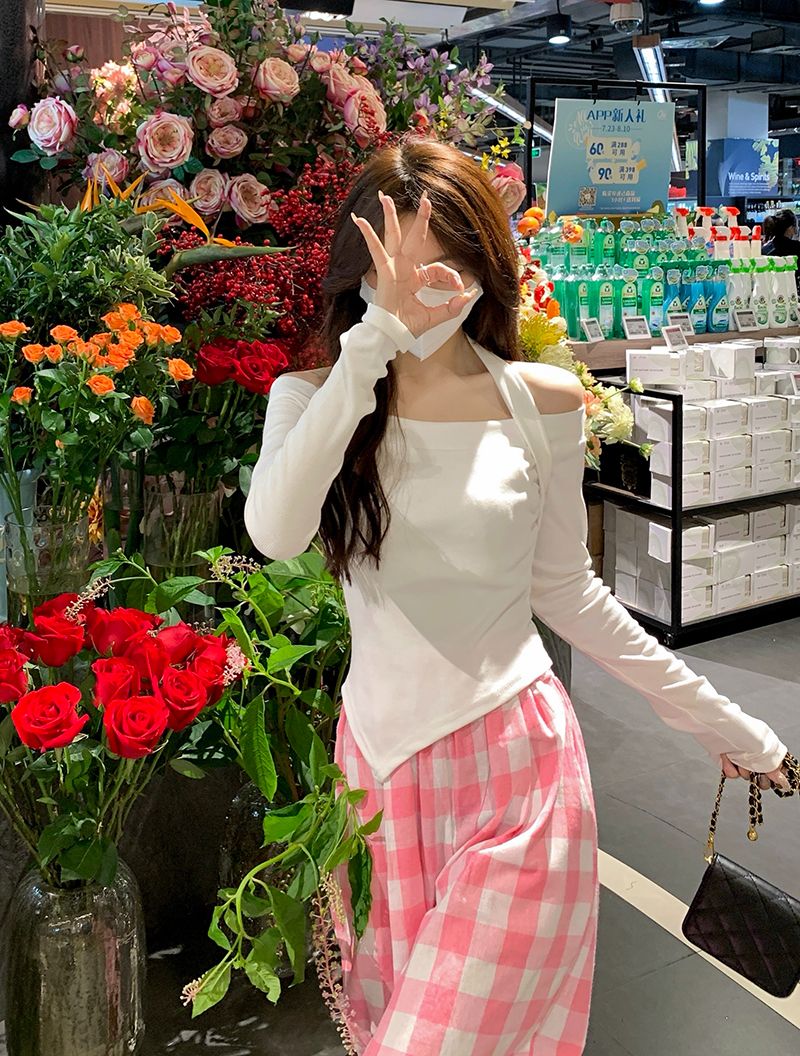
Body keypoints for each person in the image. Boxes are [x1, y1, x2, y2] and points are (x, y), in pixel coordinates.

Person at [244, 138, 793, 1056]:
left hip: (519, 775)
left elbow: (569, 592)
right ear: (358, 271)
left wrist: (722, 722)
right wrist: (370, 346)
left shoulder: (540, 401)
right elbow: (275, 531)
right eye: (398, 270)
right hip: (376, 780)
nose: (425, 292)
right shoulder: (313, 399)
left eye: (447, 267)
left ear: (484, 271)